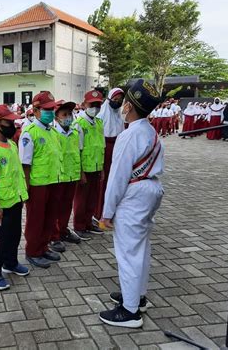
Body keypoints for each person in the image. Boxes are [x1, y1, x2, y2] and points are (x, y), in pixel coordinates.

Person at [99, 79, 163, 328]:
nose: (122, 105)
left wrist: (107, 213)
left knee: (128, 253)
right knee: (141, 249)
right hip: (149, 190)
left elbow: (117, 178)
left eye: (125, 101)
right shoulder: (150, 130)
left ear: (130, 106)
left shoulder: (129, 135)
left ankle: (129, 311)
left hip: (134, 194)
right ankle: (137, 296)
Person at [0, 104, 29, 290]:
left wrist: (22, 193)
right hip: (1, 205)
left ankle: (11, 262)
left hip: (15, 200)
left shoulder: (12, 144)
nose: (13, 124)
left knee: (14, 235)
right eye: (8, 121)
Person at [19, 91, 63, 269]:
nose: (51, 113)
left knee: (50, 218)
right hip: (37, 185)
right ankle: (33, 251)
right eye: (46, 109)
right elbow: (25, 164)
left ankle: (44, 247)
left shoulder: (52, 131)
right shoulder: (30, 132)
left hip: (53, 181)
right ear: (35, 110)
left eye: (52, 109)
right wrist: (26, 188)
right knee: (36, 220)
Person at [50, 100, 82, 251]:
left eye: (70, 114)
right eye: (64, 114)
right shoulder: (53, 134)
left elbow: (78, 153)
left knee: (66, 206)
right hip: (58, 177)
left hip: (72, 176)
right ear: (56, 118)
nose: (68, 117)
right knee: (55, 208)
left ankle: (63, 230)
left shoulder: (74, 133)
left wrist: (80, 173)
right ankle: (53, 236)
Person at [73, 90, 105, 239]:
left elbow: (101, 147)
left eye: (98, 104)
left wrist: (102, 168)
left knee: (92, 198)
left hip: (97, 167)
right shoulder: (79, 123)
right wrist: (80, 172)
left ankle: (88, 222)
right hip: (84, 168)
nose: (96, 108)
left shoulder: (98, 122)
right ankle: (79, 226)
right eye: (92, 105)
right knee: (81, 200)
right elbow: (76, 150)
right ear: (85, 104)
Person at [95, 88, 125, 230]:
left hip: (117, 151)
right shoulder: (101, 116)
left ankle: (112, 212)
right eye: (115, 99)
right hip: (105, 151)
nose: (117, 102)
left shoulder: (119, 115)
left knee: (116, 182)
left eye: (120, 100)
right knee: (104, 183)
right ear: (109, 99)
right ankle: (100, 213)